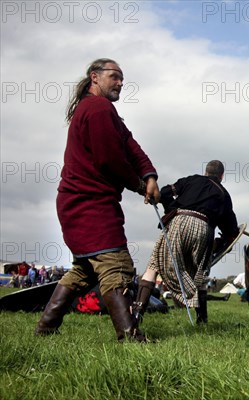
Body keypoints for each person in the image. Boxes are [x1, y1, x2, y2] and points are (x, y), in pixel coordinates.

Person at [35, 58, 159, 342]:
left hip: (80, 203)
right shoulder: (98, 107)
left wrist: (149, 174)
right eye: (114, 77)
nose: (120, 83)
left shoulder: (106, 111)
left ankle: (45, 328)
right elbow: (110, 159)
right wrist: (140, 185)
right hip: (88, 202)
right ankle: (130, 337)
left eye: (122, 79)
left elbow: (130, 145)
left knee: (85, 269)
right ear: (95, 77)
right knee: (117, 265)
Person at [133, 160, 239, 327]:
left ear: (206, 172)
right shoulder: (224, 194)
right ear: (221, 176)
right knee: (200, 274)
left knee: (153, 266)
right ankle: (202, 320)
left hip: (179, 221)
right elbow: (230, 228)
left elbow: (167, 192)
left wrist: (165, 205)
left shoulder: (192, 180)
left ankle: (137, 315)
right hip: (204, 228)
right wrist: (226, 238)